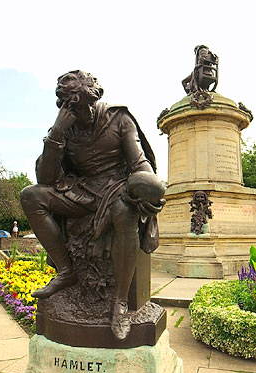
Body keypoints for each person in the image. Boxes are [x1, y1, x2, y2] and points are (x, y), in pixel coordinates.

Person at [20, 70, 165, 339]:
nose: (78, 114)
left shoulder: (119, 119)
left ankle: (119, 302)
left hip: (117, 189)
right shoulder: (64, 129)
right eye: (70, 107)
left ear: (93, 99)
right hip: (81, 192)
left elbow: (139, 164)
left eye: (81, 106)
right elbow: (46, 179)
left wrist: (147, 188)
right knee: (31, 195)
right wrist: (57, 134)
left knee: (124, 211)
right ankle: (66, 272)